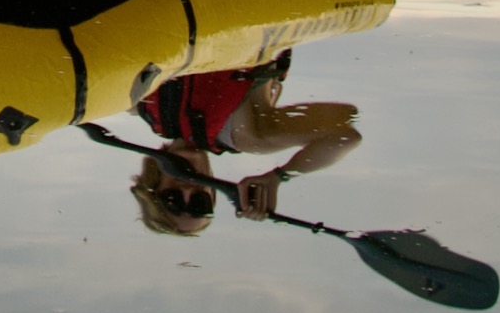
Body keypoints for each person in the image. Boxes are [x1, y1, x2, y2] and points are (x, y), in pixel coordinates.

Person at [126, 53, 363, 235]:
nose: (188, 190)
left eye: (172, 199)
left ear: (154, 183)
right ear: (212, 193)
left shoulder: (137, 104)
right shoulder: (247, 136)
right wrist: (279, 176)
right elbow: (345, 134)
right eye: (200, 203)